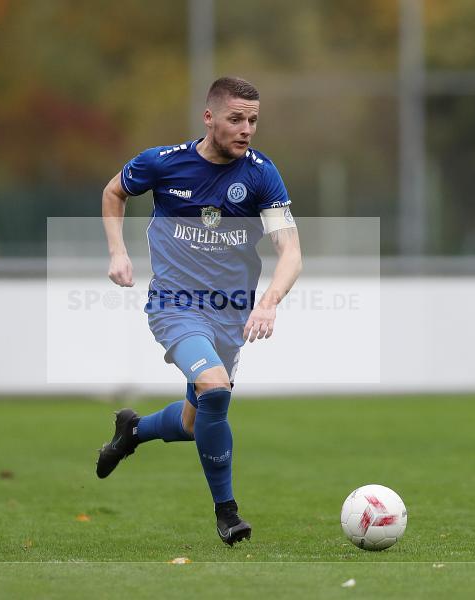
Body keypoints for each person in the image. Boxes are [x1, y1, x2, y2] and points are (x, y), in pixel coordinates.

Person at [96, 77, 302, 545]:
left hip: (231, 315)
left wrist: (268, 304)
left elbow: (290, 250)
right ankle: (227, 513)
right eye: (235, 119)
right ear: (208, 118)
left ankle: (133, 432)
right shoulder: (163, 163)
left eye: (252, 120)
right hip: (176, 306)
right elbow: (114, 192)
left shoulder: (261, 174)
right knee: (214, 388)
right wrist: (117, 252)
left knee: (194, 423)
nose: (246, 129)